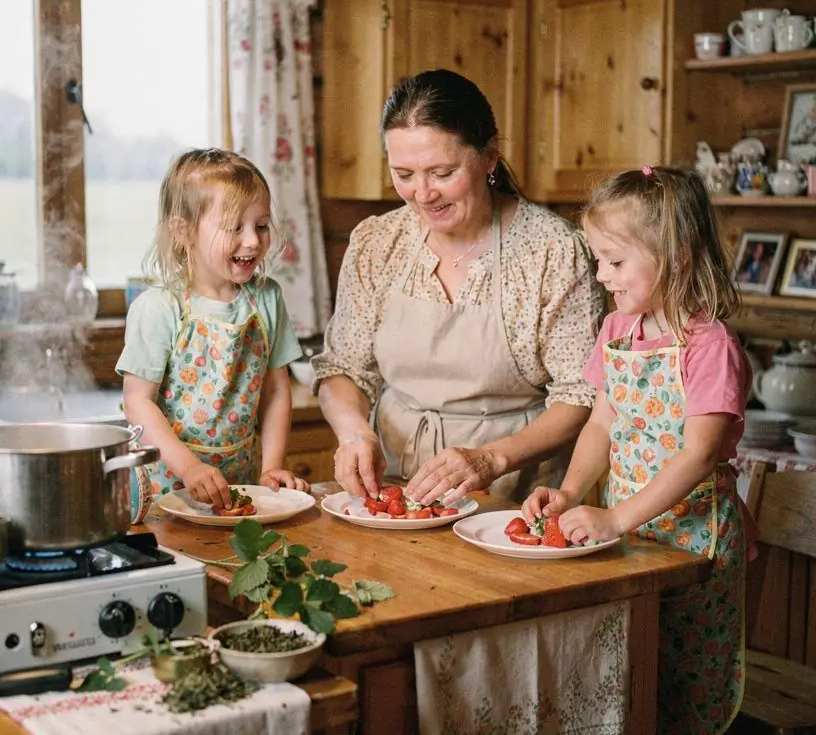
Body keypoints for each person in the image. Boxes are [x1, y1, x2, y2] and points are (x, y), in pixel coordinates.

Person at [521, 164, 752, 735]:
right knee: (638, 698)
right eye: (598, 259)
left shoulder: (708, 346)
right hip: (634, 549)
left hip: (694, 556)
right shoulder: (618, 332)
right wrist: (575, 493)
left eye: (614, 262)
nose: (601, 275)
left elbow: (695, 456)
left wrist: (617, 520)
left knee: (696, 713)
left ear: (676, 259)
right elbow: (600, 427)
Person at [312, 69, 604, 504]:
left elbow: (580, 395)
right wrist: (354, 432)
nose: (423, 193)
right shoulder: (377, 243)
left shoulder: (552, 250)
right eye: (404, 174)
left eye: (442, 172)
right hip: (395, 488)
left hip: (513, 497)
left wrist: (489, 460)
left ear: (488, 157)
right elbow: (344, 369)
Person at [117, 148, 307, 508]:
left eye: (261, 226)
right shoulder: (159, 309)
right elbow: (137, 401)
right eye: (235, 227)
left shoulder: (266, 299)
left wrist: (272, 468)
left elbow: (276, 390)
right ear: (183, 231)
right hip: (167, 489)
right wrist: (190, 468)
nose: (252, 241)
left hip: (243, 484)